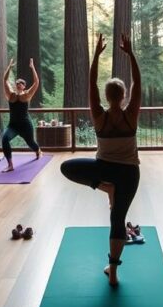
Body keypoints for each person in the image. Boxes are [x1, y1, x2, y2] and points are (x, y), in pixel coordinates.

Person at [60, 33, 141, 286]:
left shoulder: (99, 116)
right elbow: (138, 83)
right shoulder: (131, 115)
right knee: (118, 220)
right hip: (129, 174)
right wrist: (130, 54)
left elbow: (91, 84)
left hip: (104, 169)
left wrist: (95, 55)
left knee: (67, 167)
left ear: (106, 97)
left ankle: (106, 187)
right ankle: (113, 271)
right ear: (124, 95)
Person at [0, 58, 42, 172]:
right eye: (17, 83)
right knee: (4, 139)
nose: (19, 84)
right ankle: (10, 165)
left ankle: (38, 151)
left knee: (31, 143)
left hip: (25, 125)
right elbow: (4, 80)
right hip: (13, 126)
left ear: (24, 86)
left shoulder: (27, 95)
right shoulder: (11, 95)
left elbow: (36, 82)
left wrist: (32, 67)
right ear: (15, 85)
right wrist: (9, 67)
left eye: (21, 83)